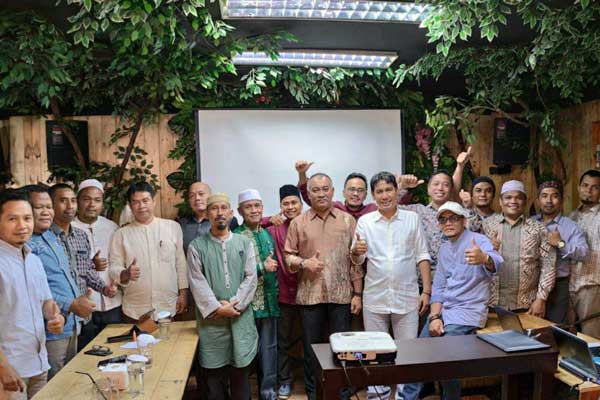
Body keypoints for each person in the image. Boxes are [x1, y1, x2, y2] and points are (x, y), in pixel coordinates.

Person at [403, 202, 502, 400]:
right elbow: (438, 287)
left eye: (453, 218)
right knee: (416, 355)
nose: (448, 223)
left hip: (468, 312)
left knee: (444, 360)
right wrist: (435, 317)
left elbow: (497, 263)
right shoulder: (444, 248)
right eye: (443, 219)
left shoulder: (478, 240)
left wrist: (484, 258)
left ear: (463, 221)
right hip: (445, 311)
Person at [351, 171, 432, 400]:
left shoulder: (411, 219)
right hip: (375, 298)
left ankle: (405, 397)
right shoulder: (365, 222)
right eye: (379, 191)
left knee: (407, 353)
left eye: (388, 190)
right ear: (373, 196)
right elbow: (357, 259)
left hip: (407, 297)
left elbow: (422, 255)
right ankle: (378, 396)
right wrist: (356, 253)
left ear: (397, 191)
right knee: (376, 354)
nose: (384, 195)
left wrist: (426, 290)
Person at [284, 172, 363, 400]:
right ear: (308, 194)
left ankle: (342, 392)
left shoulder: (348, 220)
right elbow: (288, 258)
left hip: (341, 296)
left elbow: (355, 261)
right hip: (310, 296)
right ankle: (313, 393)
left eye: (325, 188)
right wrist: (303, 263)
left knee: (342, 349)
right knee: (311, 350)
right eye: (315, 190)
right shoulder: (298, 223)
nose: (321, 193)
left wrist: (357, 293)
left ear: (333, 191)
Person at [187, 193, 258, 400]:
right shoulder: (196, 247)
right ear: (207, 213)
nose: (219, 213)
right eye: (214, 208)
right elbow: (197, 282)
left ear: (231, 212)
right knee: (214, 383)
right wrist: (218, 309)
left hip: (240, 319)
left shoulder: (244, 243)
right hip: (212, 324)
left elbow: (251, 277)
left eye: (224, 208)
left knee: (240, 380)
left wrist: (235, 305)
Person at [0, 190, 64, 399]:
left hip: (38, 362)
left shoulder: (33, 259)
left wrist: (56, 317)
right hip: (10, 370)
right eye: (12, 219)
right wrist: (3, 367)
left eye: (27, 218)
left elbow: (46, 302)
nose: (22, 226)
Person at [26, 185, 85, 379]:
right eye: (38, 207)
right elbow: (36, 291)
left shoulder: (52, 236)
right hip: (50, 328)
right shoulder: (26, 245)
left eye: (48, 206)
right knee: (55, 385)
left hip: (71, 322)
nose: (46, 212)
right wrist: (71, 303)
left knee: (70, 380)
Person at [48, 183, 115, 348]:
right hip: (58, 317)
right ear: (51, 205)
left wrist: (104, 288)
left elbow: (84, 271)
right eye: (63, 201)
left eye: (72, 200)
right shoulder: (45, 238)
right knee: (60, 370)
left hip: (83, 316)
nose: (70, 206)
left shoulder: (80, 235)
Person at [109, 182, 188, 320]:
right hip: (135, 310)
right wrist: (125, 273)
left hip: (168, 306)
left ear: (154, 201)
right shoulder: (121, 234)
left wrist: (183, 294)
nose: (141, 206)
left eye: (145, 200)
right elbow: (114, 267)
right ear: (130, 205)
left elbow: (180, 264)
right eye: (136, 202)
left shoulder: (172, 228)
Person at [482, 180, 556, 317]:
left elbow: (548, 265)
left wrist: (541, 299)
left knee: (526, 339)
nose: (513, 201)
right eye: (508, 197)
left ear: (525, 201)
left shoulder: (539, 229)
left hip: (527, 305)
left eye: (518, 197)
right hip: (490, 304)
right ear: (500, 201)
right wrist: (487, 251)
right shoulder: (486, 227)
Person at [233, 189, 279, 400]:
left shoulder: (267, 233)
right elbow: (235, 272)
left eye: (257, 206)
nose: (254, 210)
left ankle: (267, 394)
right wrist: (262, 267)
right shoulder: (235, 237)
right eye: (248, 207)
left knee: (269, 351)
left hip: (269, 302)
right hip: (247, 306)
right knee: (245, 353)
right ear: (240, 211)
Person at [71, 179, 121, 349]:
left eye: (97, 200)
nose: (92, 204)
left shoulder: (112, 227)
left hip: (113, 303)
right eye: (86, 199)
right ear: (78, 201)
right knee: (85, 355)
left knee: (114, 352)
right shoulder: (69, 228)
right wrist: (91, 265)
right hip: (84, 305)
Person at [532, 180, 588, 324]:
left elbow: (584, 253)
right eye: (544, 196)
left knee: (555, 329)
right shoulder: (530, 223)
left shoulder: (571, 226)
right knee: (531, 327)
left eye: (554, 196)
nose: (549, 201)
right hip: (531, 284)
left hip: (558, 286)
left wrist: (560, 243)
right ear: (538, 200)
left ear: (561, 200)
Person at [267, 185, 303, 399]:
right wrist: (267, 220)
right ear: (280, 207)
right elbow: (246, 224)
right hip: (282, 294)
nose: (290, 207)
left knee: (312, 341)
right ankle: (285, 381)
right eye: (285, 204)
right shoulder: (273, 229)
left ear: (301, 204)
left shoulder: (309, 224)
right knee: (282, 341)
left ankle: (315, 379)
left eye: (294, 203)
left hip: (309, 294)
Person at [569, 169, 600, 337]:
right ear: (579, 187)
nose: (589, 190)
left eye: (595, 187)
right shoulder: (572, 215)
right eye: (585, 185)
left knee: (591, 339)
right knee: (570, 340)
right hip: (570, 285)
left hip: (592, 286)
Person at [295, 161, 377, 220]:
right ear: (344, 193)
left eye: (360, 190)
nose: (355, 193)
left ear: (366, 195)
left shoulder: (373, 210)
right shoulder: (335, 208)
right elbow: (312, 198)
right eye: (352, 189)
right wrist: (302, 173)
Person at [180, 181, 239, 252]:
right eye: (192, 196)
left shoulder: (229, 220)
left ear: (210, 197)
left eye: (201, 194)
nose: (197, 198)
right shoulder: (182, 223)